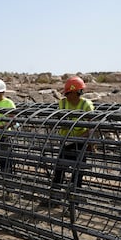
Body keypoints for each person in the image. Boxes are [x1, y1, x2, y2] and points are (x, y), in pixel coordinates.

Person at [42, 76, 94, 207]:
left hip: (79, 144)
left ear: (77, 92)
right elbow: (58, 120)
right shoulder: (63, 103)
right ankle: (55, 199)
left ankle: (73, 204)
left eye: (69, 93)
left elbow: (92, 127)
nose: (66, 96)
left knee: (77, 174)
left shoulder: (86, 105)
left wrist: (89, 143)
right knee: (59, 171)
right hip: (65, 142)